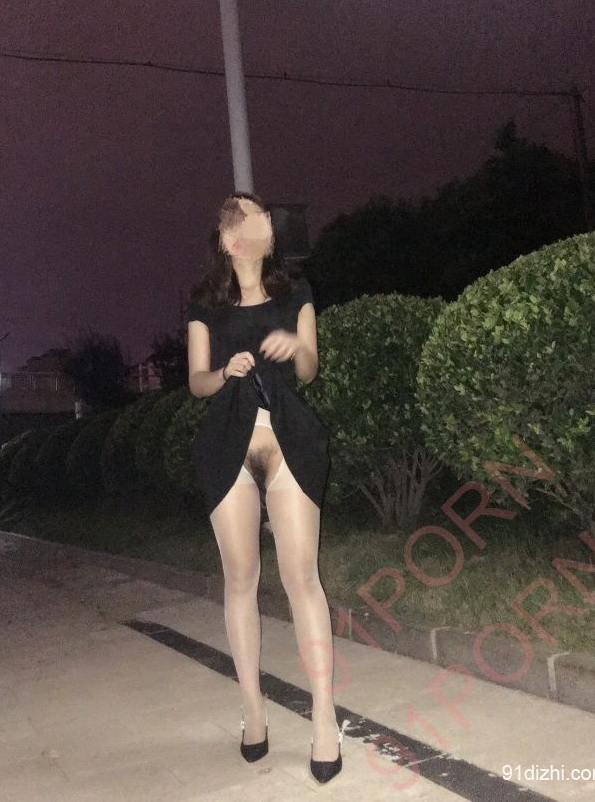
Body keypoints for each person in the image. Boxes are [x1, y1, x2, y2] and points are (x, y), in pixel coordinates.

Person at [186, 192, 349, 784]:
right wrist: (223, 371)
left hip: (288, 442)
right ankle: (252, 709)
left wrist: (297, 346)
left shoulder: (295, 293)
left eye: (264, 219)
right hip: (227, 445)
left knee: (302, 577)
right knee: (240, 578)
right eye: (252, 218)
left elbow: (309, 370)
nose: (266, 226)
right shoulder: (205, 304)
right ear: (231, 239)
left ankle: (324, 719)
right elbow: (196, 382)